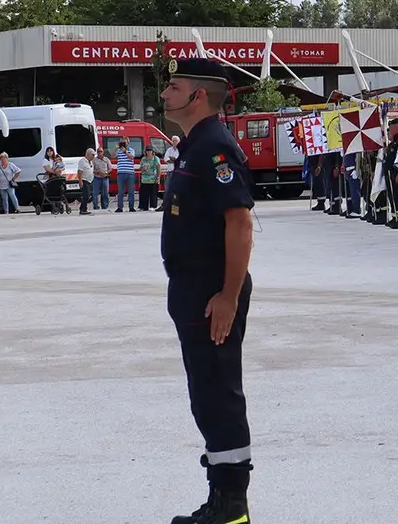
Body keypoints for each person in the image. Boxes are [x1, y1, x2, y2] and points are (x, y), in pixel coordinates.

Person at [159, 57, 256, 524]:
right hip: (193, 287)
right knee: (205, 394)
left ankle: (233, 508)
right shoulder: (194, 145)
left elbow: (239, 223)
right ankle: (222, 497)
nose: (163, 94)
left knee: (218, 394)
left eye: (172, 87)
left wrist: (228, 296)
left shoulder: (214, 147)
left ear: (198, 96)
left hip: (211, 290)